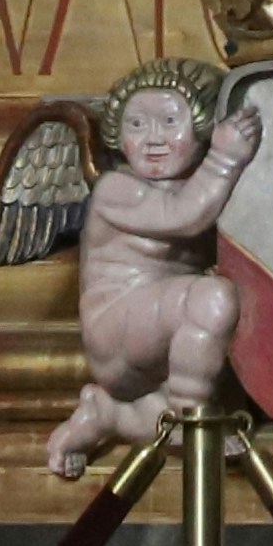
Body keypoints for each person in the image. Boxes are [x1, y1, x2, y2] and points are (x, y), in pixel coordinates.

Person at [46, 61, 255, 478]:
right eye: (137, 124)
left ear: (199, 126)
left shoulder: (200, 188)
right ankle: (187, 421)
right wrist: (225, 160)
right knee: (212, 298)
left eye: (169, 122)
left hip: (167, 335)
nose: (153, 139)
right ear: (118, 137)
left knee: (229, 404)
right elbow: (182, 216)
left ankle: (105, 414)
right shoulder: (116, 189)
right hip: (118, 325)